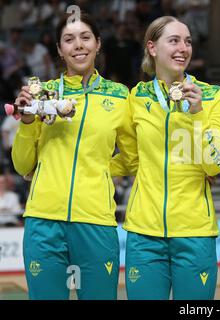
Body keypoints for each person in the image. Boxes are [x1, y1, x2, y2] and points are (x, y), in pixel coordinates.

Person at [12, 12, 135, 300]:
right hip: (44, 222)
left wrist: (100, 169)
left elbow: (133, 157)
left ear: (98, 44)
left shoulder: (119, 96)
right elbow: (21, 164)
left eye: (85, 37)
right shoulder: (42, 94)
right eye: (69, 39)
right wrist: (28, 122)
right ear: (59, 49)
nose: (78, 45)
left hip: (95, 222)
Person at [110, 16, 220, 300]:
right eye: (174, 40)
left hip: (195, 231)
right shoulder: (135, 98)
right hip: (143, 232)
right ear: (152, 47)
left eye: (187, 42)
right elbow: (129, 158)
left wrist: (197, 113)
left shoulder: (213, 96)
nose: (183, 48)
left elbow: (214, 164)